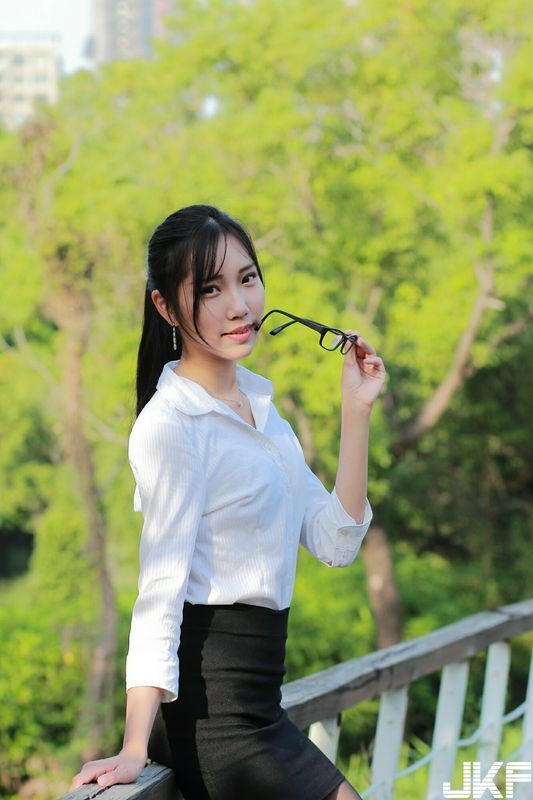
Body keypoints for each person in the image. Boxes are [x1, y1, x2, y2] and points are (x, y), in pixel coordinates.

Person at [69, 204, 386, 799]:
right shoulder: (172, 424)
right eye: (210, 289)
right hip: (210, 718)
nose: (239, 305)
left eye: (248, 278)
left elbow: (335, 542)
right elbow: (159, 592)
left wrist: (356, 410)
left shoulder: (263, 416)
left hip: (262, 705)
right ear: (165, 306)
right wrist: (134, 747)